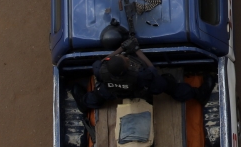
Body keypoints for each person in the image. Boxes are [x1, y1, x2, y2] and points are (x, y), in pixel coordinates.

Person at [72, 38, 213, 111]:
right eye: (125, 59)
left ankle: (84, 104)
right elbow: (152, 69)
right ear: (126, 68)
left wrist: (119, 49)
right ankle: (198, 94)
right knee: (165, 83)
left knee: (97, 95)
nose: (126, 57)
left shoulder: (101, 69)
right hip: (138, 89)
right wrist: (136, 49)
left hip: (113, 92)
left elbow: (102, 62)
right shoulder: (139, 74)